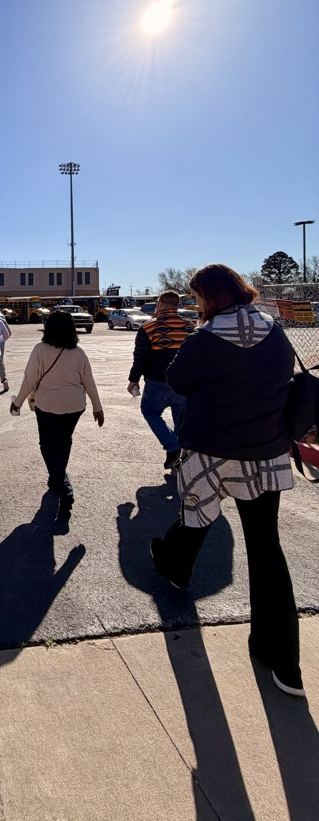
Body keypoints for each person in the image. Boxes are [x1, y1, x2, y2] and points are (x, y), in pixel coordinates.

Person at [150, 264, 303, 697]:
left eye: (197, 297)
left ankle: (174, 567)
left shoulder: (205, 337)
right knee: (266, 550)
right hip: (265, 453)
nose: (195, 304)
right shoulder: (274, 331)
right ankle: (284, 661)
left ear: (211, 297)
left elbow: (176, 379)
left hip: (212, 451)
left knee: (197, 516)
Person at [10, 310, 103, 516]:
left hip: (48, 406)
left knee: (48, 446)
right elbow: (89, 381)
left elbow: (29, 380)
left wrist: (16, 402)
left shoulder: (40, 350)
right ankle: (56, 478)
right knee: (64, 441)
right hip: (75, 406)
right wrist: (97, 407)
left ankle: (64, 487)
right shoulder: (78, 352)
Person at [127, 290, 196, 469]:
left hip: (158, 381)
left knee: (150, 411)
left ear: (161, 304)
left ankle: (172, 446)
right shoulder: (191, 327)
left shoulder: (149, 327)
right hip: (184, 383)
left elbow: (140, 357)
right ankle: (181, 457)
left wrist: (133, 380)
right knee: (180, 418)